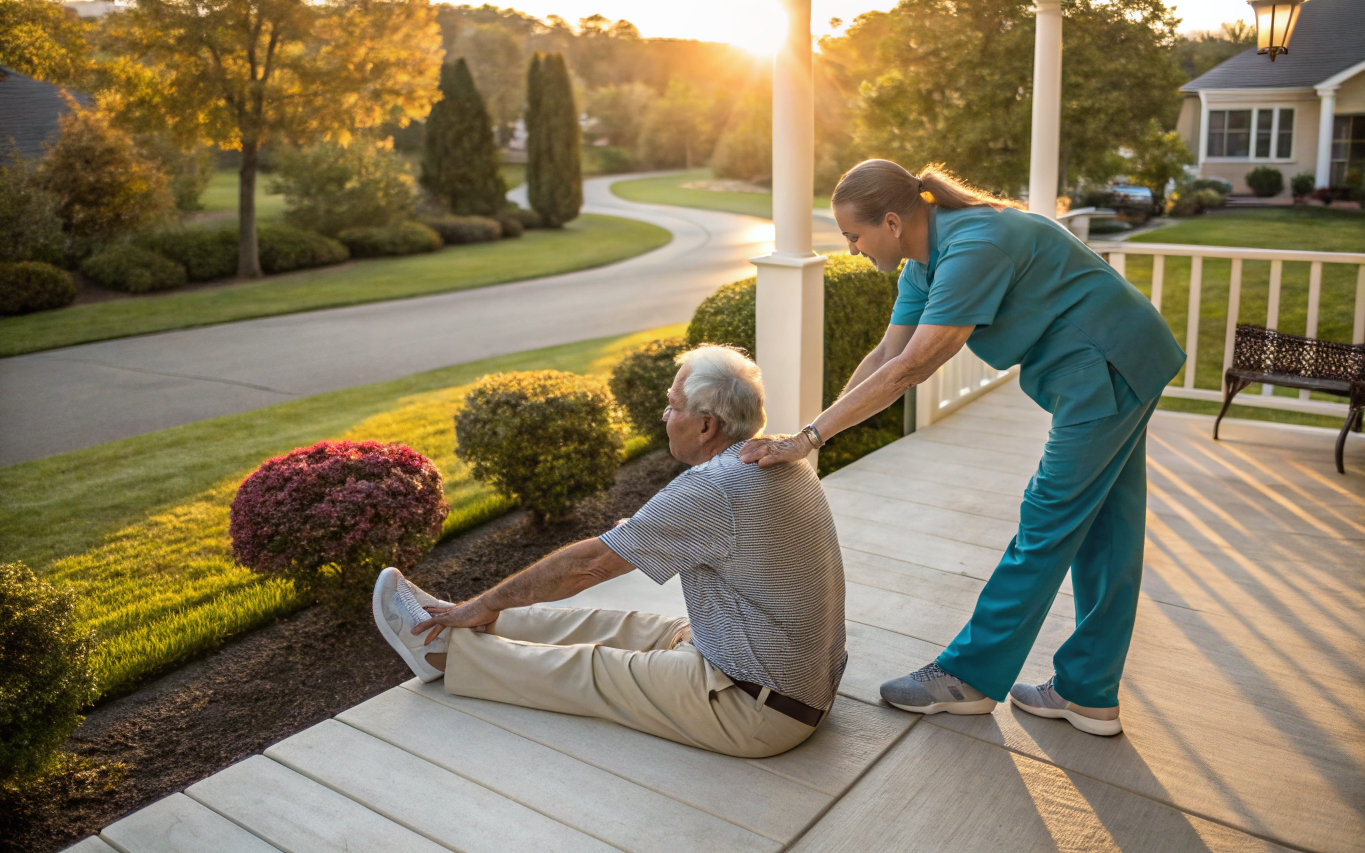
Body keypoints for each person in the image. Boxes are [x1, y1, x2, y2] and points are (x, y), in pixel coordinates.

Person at [742, 159, 1185, 737]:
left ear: (894, 222)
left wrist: (809, 438)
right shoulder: (923, 268)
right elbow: (884, 358)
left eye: (854, 236)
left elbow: (911, 369)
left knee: (1047, 521)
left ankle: (968, 678)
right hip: (1120, 361)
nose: (851, 248)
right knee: (1107, 529)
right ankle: (1088, 693)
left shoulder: (977, 246)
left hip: (1107, 367)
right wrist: (812, 437)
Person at [371, 344, 847, 758]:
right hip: (795, 678)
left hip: (757, 709)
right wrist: (482, 608)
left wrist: (488, 598)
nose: (665, 416)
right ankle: (452, 618)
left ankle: (442, 654)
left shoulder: (713, 487)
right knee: (614, 624)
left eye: (673, 406)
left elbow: (587, 566)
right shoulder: (780, 458)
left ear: (705, 426)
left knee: (591, 668)